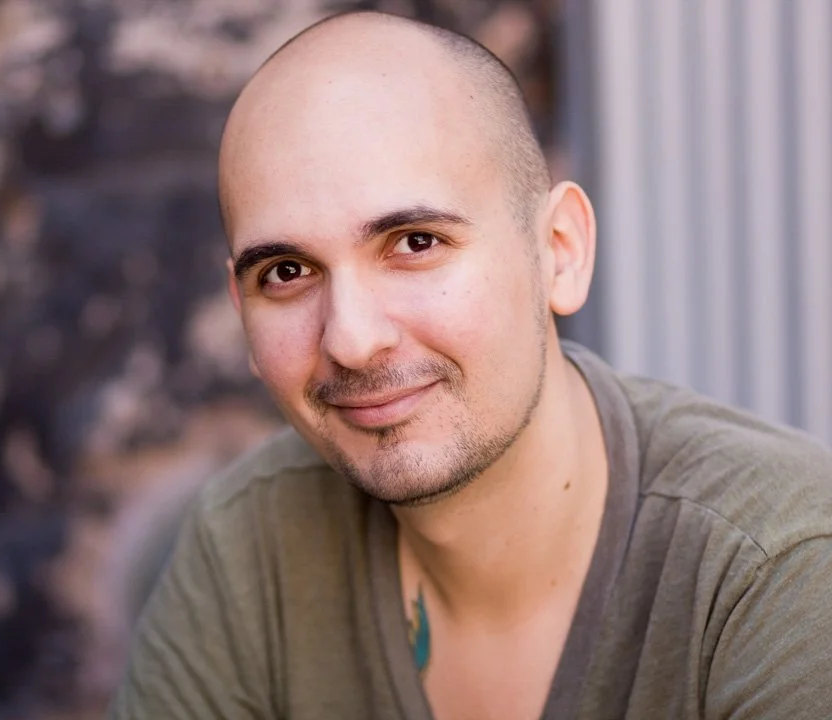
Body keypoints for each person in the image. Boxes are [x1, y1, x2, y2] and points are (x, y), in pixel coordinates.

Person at [111, 10, 832, 720]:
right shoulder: (249, 543)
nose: (352, 340)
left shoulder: (779, 569)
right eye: (287, 272)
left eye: (415, 242)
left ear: (558, 251)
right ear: (241, 310)